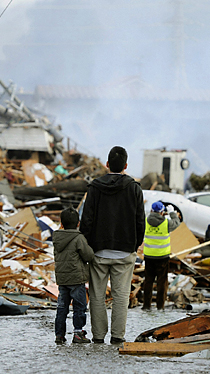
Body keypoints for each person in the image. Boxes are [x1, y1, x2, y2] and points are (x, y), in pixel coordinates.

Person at [80, 146, 145, 344]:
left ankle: (98, 336)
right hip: (125, 252)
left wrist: (88, 246)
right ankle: (118, 337)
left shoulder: (94, 188)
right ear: (125, 165)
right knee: (121, 296)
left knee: (97, 296)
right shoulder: (134, 188)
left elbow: (87, 221)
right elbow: (140, 221)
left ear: (107, 164)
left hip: (98, 252)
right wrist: (135, 244)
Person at [53, 207, 95, 344]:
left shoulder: (57, 238)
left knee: (62, 307)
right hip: (77, 278)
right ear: (78, 223)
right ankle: (78, 332)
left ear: (62, 223)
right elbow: (88, 255)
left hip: (62, 279)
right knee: (79, 307)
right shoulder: (79, 238)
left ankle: (59, 335)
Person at [141, 201, 180, 310]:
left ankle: (146, 305)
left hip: (149, 256)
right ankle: (160, 306)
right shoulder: (166, 223)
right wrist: (172, 213)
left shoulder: (145, 222)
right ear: (162, 212)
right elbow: (177, 223)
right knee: (161, 283)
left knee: (148, 281)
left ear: (152, 211)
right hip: (162, 257)